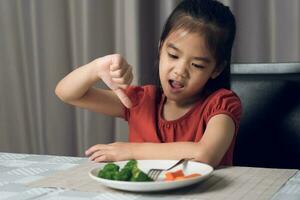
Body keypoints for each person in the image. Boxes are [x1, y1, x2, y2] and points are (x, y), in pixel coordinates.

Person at [55, 0, 242, 168]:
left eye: (197, 65)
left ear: (216, 69)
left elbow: (205, 154)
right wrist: (96, 68)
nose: (180, 71)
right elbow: (66, 93)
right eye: (173, 55)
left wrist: (130, 151)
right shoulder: (142, 101)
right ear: (161, 48)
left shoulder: (222, 103)